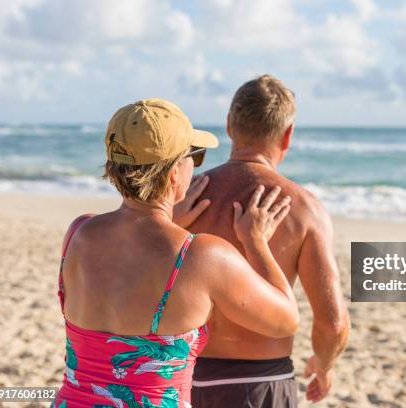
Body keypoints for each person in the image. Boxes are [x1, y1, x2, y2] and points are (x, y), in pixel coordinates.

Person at [52, 98, 299, 408]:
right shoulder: (200, 255)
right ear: (172, 174)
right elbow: (285, 321)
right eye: (193, 157)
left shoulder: (78, 233)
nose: (195, 167)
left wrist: (168, 221)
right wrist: (255, 242)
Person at [183, 75, 350, 407]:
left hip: (180, 376)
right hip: (259, 383)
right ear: (287, 135)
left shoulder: (183, 196)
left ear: (229, 125)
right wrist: (323, 363)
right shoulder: (304, 209)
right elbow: (332, 322)